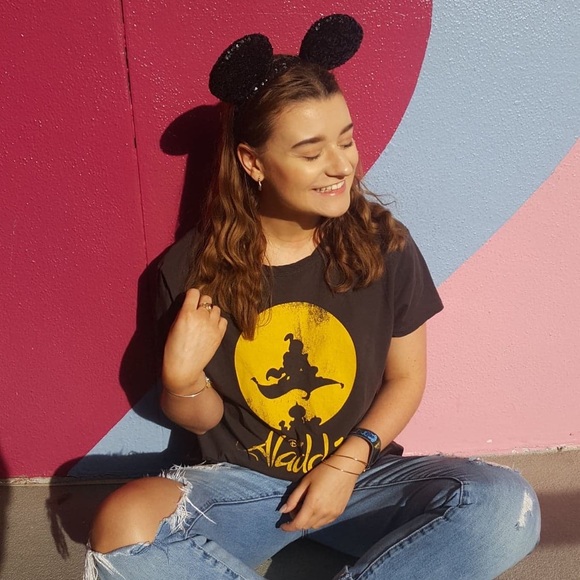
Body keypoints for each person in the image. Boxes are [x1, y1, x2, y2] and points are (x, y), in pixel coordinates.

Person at [85, 15, 540, 580]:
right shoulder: (192, 270)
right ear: (253, 162)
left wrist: (347, 465)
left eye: (346, 139)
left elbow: (406, 378)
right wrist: (181, 381)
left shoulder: (383, 245)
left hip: (364, 478)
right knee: (120, 526)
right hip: (244, 489)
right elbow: (204, 420)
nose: (341, 165)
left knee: (504, 505)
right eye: (310, 152)